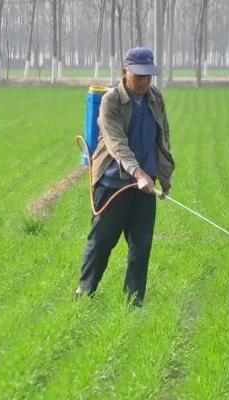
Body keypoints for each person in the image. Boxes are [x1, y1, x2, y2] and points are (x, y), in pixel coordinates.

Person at [75, 47, 175, 307]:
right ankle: (84, 294)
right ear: (125, 72)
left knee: (141, 247)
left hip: (144, 188)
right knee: (102, 243)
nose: (144, 81)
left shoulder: (155, 98)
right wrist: (137, 172)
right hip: (112, 185)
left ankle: (134, 303)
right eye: (138, 75)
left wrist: (164, 176)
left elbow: (162, 137)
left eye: (148, 76)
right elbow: (115, 142)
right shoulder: (111, 101)